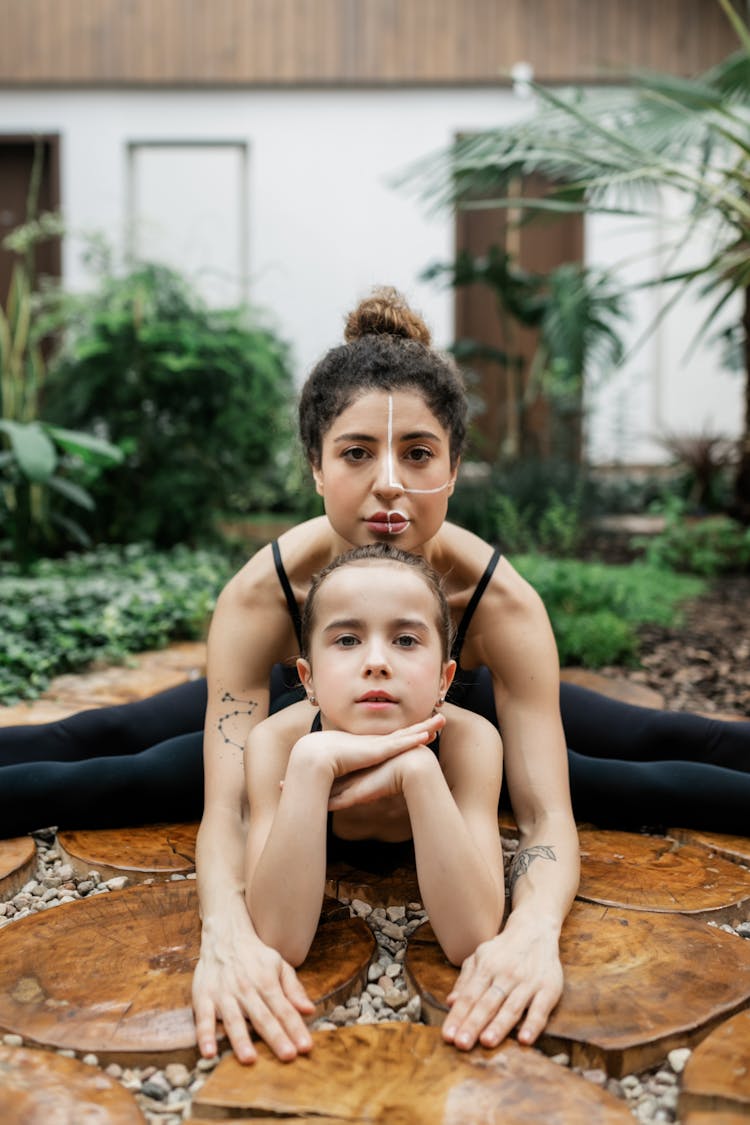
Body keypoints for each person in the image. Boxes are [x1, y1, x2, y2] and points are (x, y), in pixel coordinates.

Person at [1, 286, 748, 1063]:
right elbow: (226, 810)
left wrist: (531, 932)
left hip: (449, 697)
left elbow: (544, 815)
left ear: (454, 469)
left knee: (636, 763)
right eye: (357, 452)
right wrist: (225, 933)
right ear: (316, 469)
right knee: (125, 754)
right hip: (311, 697)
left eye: (417, 453)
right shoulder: (264, 596)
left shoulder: (502, 603)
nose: (388, 481)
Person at [244, 544, 505, 970]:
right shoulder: (275, 744)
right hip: (305, 722)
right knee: (136, 772)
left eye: (405, 639)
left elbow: (471, 938)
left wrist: (418, 770)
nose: (377, 662)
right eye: (347, 639)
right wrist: (312, 760)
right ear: (307, 680)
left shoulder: (471, 742)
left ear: (445, 679)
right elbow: (280, 940)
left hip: (435, 725)